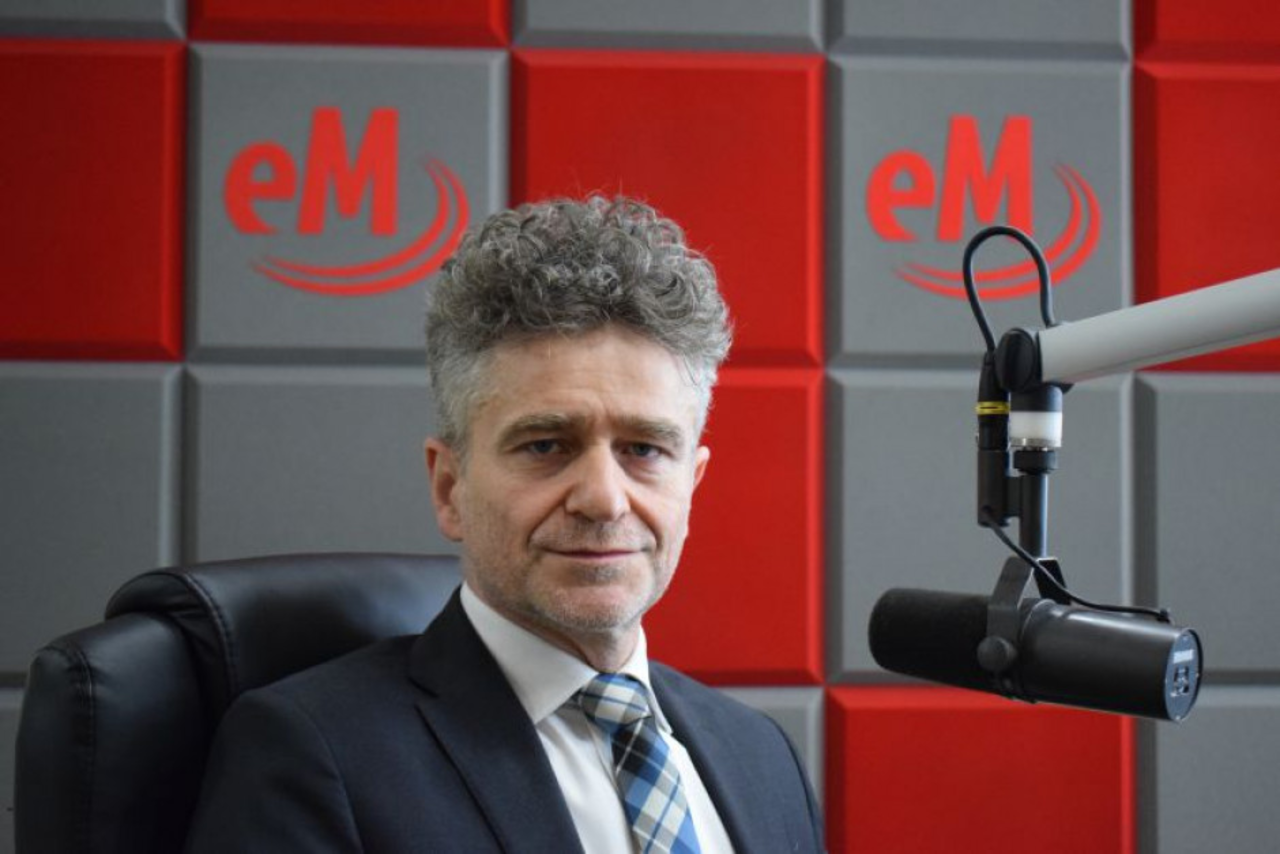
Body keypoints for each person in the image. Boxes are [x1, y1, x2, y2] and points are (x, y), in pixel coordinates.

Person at [184, 197, 824, 853]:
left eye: (644, 449)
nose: (604, 500)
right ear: (449, 487)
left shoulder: (761, 758)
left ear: (692, 483)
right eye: (546, 445)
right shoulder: (312, 755)